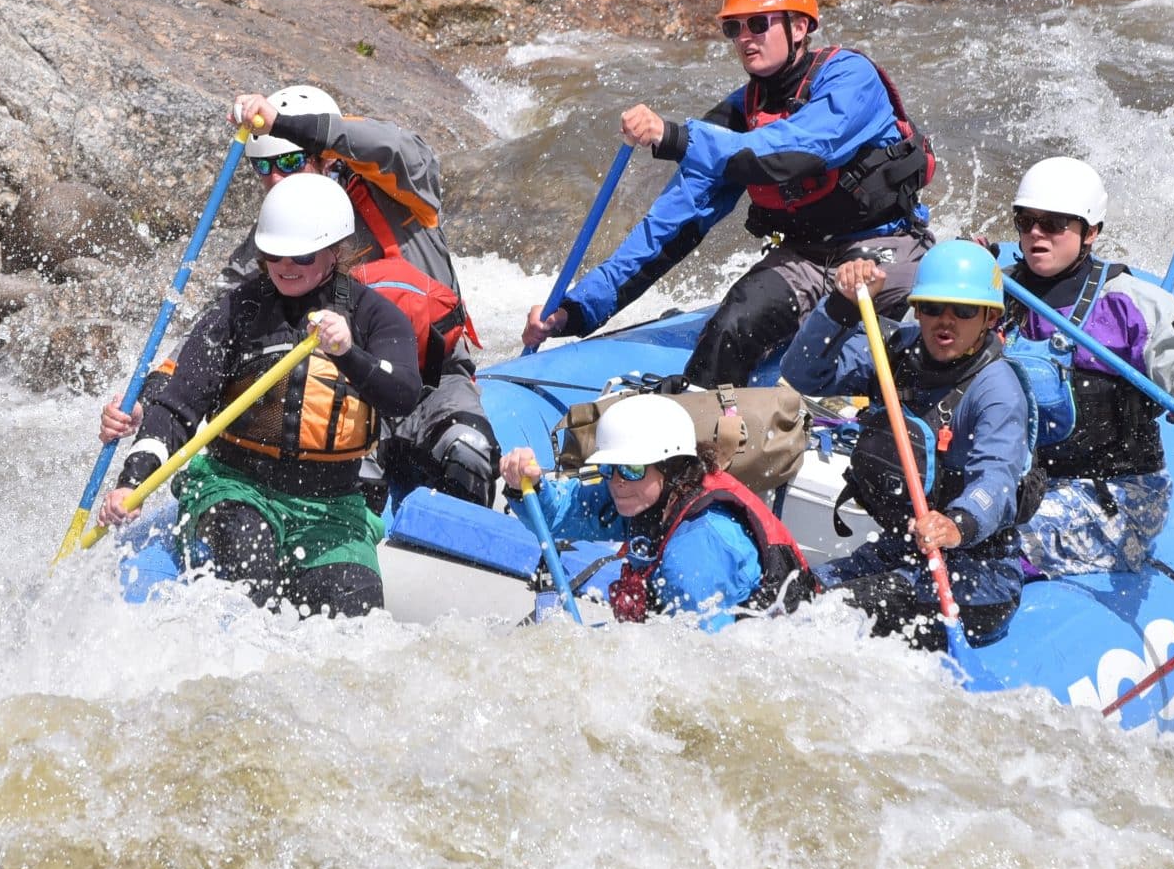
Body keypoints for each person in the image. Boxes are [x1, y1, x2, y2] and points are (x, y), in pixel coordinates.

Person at [522, 0, 935, 389]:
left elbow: (796, 151)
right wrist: (575, 311)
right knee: (735, 321)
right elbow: (667, 227)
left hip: (886, 247)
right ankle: (704, 448)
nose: (744, 38)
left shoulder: (850, 77)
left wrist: (676, 137)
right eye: (733, 29)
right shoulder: (738, 115)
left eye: (758, 24)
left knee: (882, 352)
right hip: (804, 259)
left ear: (800, 27)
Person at [102, 84, 499, 508]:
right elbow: (209, 339)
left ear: (328, 158)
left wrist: (283, 124)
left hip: (434, 381)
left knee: (467, 452)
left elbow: (392, 145)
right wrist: (148, 400)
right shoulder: (271, 249)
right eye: (264, 167)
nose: (276, 178)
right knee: (357, 476)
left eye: (291, 160)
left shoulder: (404, 191)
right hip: (346, 396)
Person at [96, 173, 422, 617]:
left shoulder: (374, 317)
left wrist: (348, 354)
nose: (285, 266)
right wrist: (131, 481)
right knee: (248, 551)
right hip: (236, 487)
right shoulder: (237, 311)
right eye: (273, 254)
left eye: (301, 255)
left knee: (355, 604)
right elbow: (178, 406)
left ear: (334, 251)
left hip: (332, 507)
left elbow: (403, 396)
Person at [780, 240, 1032, 648]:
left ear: (989, 317)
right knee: (792, 594)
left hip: (979, 576)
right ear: (917, 309)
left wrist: (956, 524)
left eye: (963, 311)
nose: (944, 322)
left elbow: (998, 481)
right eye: (932, 307)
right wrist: (840, 307)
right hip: (903, 551)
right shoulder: (896, 352)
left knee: (835, 616)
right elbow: (804, 373)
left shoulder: (997, 391)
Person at [1001, 156, 1174, 577]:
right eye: (1025, 220)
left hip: (1115, 494)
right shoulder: (1001, 290)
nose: (1035, 233)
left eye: (1052, 224)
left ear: (1091, 233)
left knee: (990, 544)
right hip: (1027, 481)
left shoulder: (1127, 303)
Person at [499, 395, 818, 630]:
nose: (618, 481)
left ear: (672, 466)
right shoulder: (645, 497)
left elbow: (706, 668)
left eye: (632, 468)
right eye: (609, 468)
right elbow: (564, 513)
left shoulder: (698, 552)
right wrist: (525, 486)